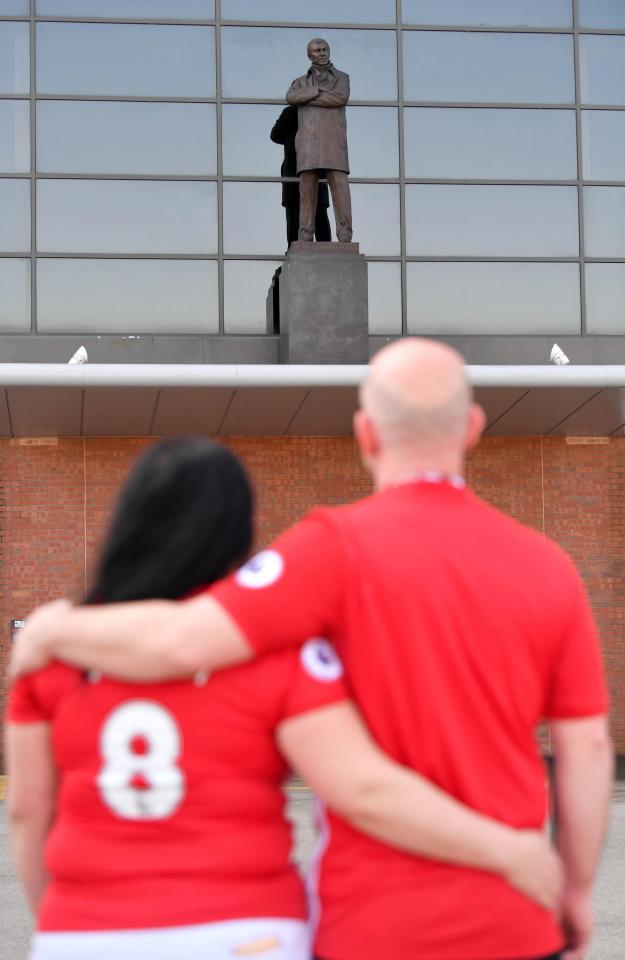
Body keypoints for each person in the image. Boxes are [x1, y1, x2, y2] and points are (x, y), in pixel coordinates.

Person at [11, 340, 613, 960]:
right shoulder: (550, 567)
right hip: (508, 918)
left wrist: (52, 632)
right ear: (473, 427)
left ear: (366, 432)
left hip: (369, 925)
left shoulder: (326, 549)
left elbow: (184, 640)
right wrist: (571, 887)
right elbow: (587, 748)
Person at [286, 38, 352, 242]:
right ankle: (305, 234)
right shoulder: (299, 82)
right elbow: (291, 97)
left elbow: (340, 98)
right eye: (317, 50)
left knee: (340, 189)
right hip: (308, 143)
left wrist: (309, 98)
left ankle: (345, 236)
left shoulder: (342, 78)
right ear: (310, 55)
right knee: (306, 191)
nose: (322, 53)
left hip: (333, 142)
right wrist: (318, 91)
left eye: (325, 49)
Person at [270, 104, 332, 245]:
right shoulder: (317, 110)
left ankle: (295, 251)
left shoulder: (291, 111)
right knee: (317, 215)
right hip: (310, 168)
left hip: (302, 169)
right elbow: (274, 135)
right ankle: (324, 251)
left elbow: (275, 134)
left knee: (301, 215)